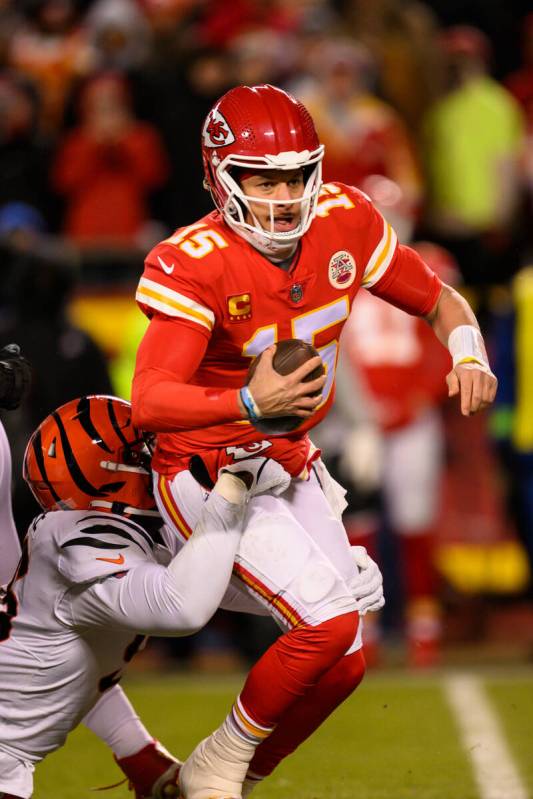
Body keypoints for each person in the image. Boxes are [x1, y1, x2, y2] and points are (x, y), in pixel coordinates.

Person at [131, 83, 497, 798]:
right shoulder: (194, 258)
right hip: (207, 471)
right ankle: (210, 768)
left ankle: (221, 777)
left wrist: (468, 353)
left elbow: (439, 298)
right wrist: (243, 398)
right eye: (263, 178)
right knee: (327, 623)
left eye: (297, 174)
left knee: (347, 657)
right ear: (219, 177)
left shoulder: (345, 219)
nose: (284, 195)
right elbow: (148, 403)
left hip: (288, 462)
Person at [0, 393, 292, 799]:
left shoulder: (87, 537)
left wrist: (325, 583)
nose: (162, 459)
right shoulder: (83, 541)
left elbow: (77, 669)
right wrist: (232, 488)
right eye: (149, 451)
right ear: (115, 470)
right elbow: (184, 608)